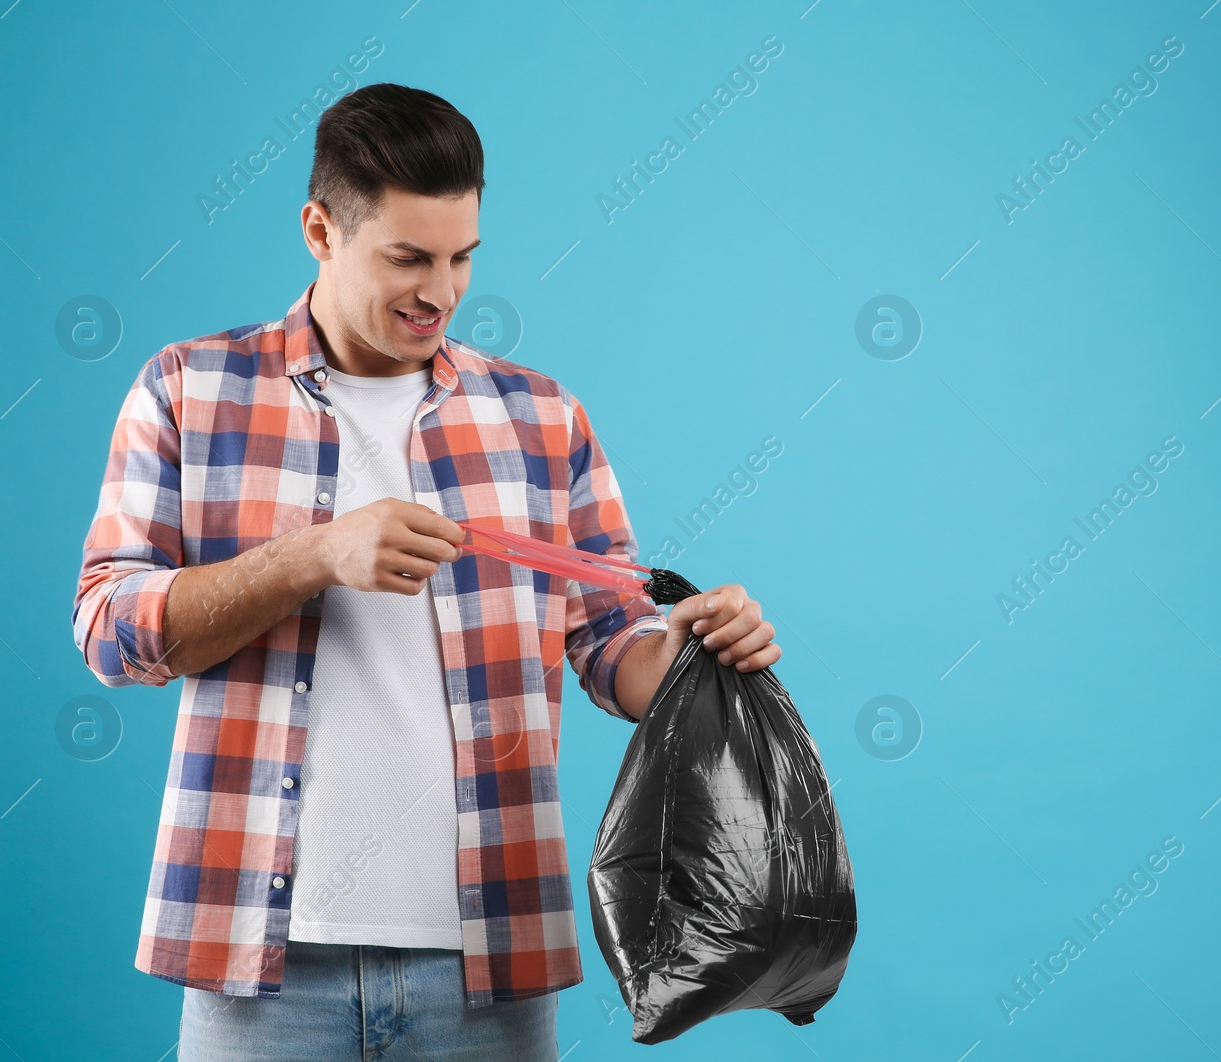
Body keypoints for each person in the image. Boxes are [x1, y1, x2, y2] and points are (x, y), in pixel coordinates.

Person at [70, 82, 781, 1061]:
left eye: (461, 258)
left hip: (488, 972)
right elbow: (112, 631)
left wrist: (694, 651)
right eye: (407, 256)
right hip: (258, 966)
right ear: (320, 229)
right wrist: (313, 552)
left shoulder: (540, 417)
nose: (440, 291)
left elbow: (613, 647)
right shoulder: (190, 389)